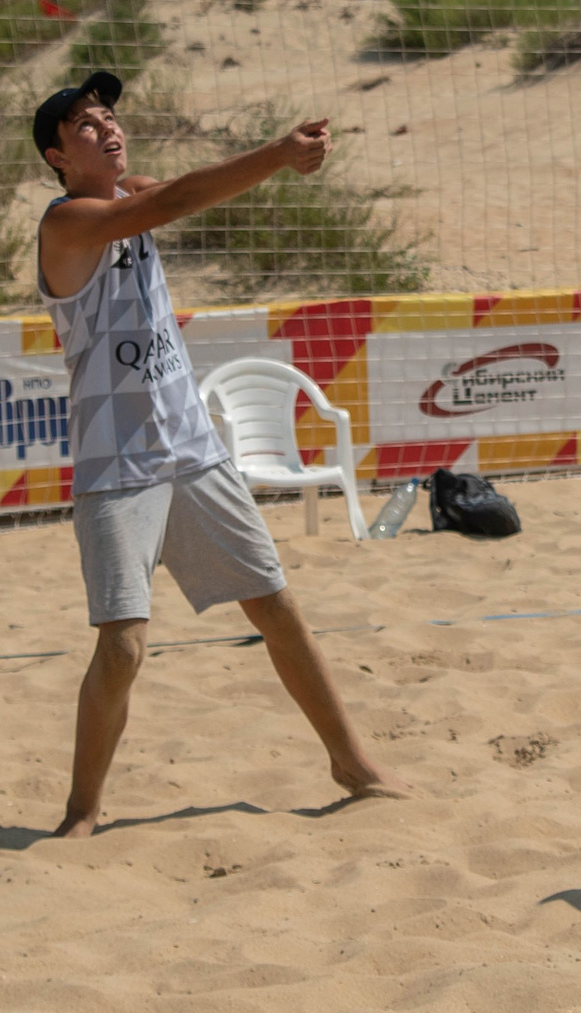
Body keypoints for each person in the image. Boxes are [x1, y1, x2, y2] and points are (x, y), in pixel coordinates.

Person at [31, 70, 407, 837]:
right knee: (125, 644)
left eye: (108, 115)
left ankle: (352, 763)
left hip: (193, 452)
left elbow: (168, 191)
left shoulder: (128, 195)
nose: (105, 126)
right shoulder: (67, 223)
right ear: (55, 157)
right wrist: (276, 152)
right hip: (119, 464)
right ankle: (81, 811)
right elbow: (166, 202)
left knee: (276, 605)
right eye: (83, 125)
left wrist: (273, 160)